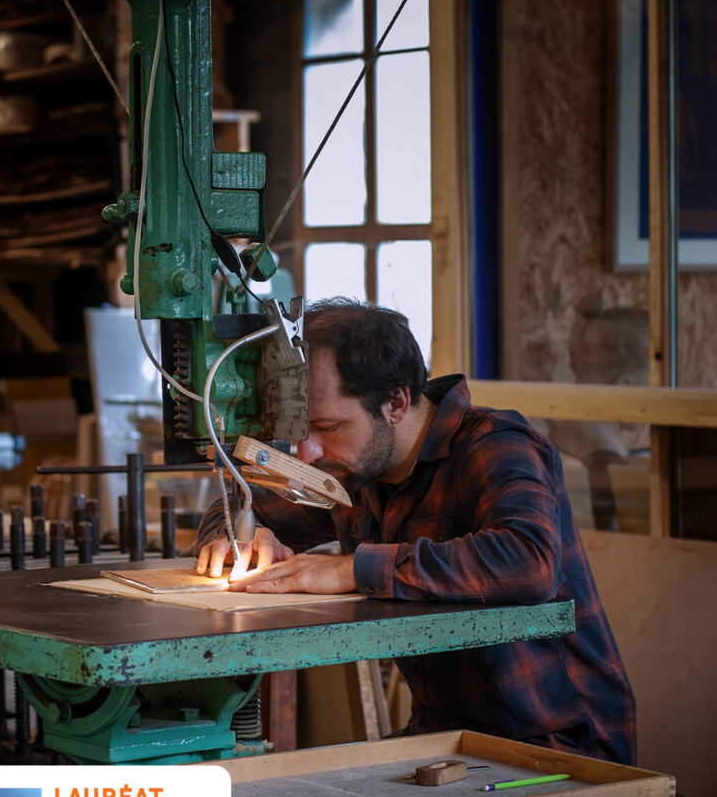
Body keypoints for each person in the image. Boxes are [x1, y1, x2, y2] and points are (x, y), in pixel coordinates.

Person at [195, 298, 636, 765]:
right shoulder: (353, 472)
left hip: (557, 744)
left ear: (396, 402)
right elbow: (238, 506)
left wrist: (354, 568)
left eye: (326, 426)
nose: (307, 453)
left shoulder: (495, 443)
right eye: (300, 430)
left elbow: (529, 562)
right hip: (445, 736)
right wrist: (236, 536)